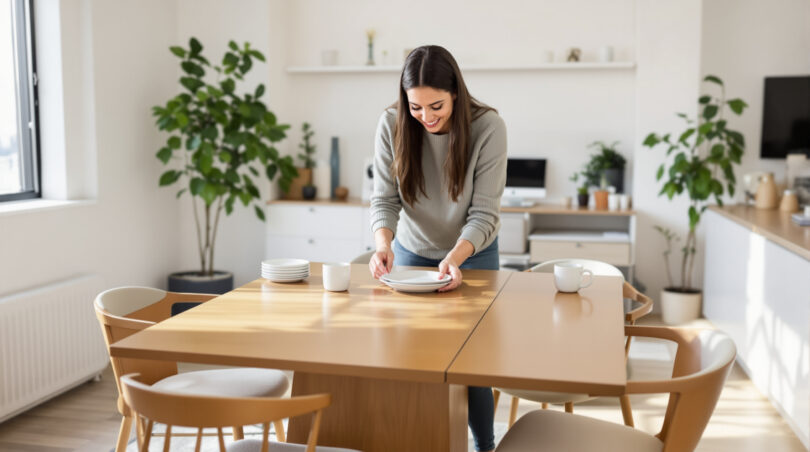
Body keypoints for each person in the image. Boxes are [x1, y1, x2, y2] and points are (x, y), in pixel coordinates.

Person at [368, 45, 507, 452]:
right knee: (414, 355)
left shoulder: (488, 127)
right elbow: (384, 200)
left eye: (436, 106)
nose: (426, 117)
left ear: (456, 95)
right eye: (416, 107)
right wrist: (382, 245)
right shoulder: (391, 123)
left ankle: (484, 445)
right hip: (412, 253)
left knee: (473, 362)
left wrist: (456, 257)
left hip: (473, 253)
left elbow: (485, 213)